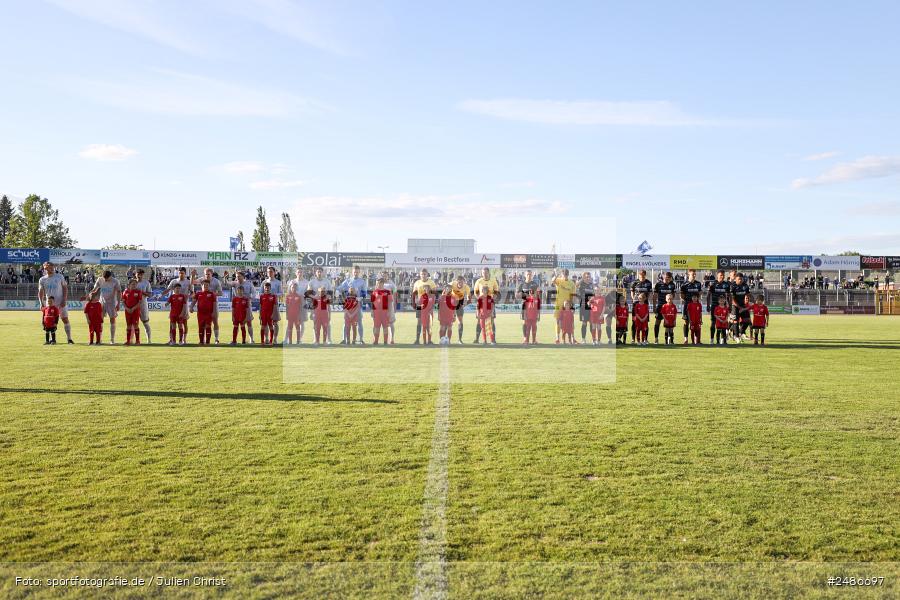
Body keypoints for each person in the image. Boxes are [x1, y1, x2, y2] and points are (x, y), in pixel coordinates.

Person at [38, 262, 74, 344]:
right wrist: (41, 303)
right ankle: (52, 340)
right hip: (49, 304)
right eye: (46, 267)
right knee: (49, 322)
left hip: (61, 303)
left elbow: (65, 288)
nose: (49, 268)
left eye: (50, 267)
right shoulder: (42, 279)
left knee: (65, 319)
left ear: (53, 267)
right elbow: (40, 292)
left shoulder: (59, 276)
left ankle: (69, 339)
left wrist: (64, 299)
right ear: (44, 268)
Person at [88, 270, 122, 344]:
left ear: (110, 276)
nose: (106, 280)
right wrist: (89, 294)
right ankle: (99, 339)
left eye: (107, 278)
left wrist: (118, 303)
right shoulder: (100, 279)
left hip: (112, 303)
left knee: (112, 320)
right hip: (102, 302)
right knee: (100, 320)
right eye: (104, 278)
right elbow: (94, 289)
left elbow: (119, 292)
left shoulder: (115, 281)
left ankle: (112, 339)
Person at [338, 266, 368, 344]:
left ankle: (360, 339)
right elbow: (340, 288)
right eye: (354, 272)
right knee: (346, 323)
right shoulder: (347, 281)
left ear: (359, 272)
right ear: (352, 272)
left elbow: (365, 293)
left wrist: (361, 297)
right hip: (349, 306)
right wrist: (338, 291)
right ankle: (344, 339)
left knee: (359, 322)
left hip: (358, 305)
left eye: (357, 272)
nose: (356, 273)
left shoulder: (362, 281)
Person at [195, 267, 224, 344]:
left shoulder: (216, 281)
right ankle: (203, 340)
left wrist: (211, 294)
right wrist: (192, 276)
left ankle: (216, 339)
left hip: (213, 304)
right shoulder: (202, 279)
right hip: (204, 305)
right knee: (202, 323)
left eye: (208, 274)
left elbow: (221, 293)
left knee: (215, 321)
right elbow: (193, 282)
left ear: (211, 274)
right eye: (205, 274)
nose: (206, 275)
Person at [473, 267, 500, 344]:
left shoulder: (493, 281)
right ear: (482, 273)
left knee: (491, 322)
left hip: (489, 303)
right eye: (483, 273)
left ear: (488, 273)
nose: (484, 274)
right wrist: (480, 299)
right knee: (479, 322)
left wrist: (493, 298)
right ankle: (477, 339)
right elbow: (476, 292)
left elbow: (496, 291)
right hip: (481, 305)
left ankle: (493, 339)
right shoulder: (479, 281)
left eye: (486, 272)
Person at [229, 271, 257, 344]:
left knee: (249, 322)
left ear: (243, 276)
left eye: (239, 276)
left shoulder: (249, 283)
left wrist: (250, 298)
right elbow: (226, 284)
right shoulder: (235, 283)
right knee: (236, 323)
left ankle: (251, 339)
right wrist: (225, 279)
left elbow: (254, 293)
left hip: (247, 305)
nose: (237, 278)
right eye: (236, 276)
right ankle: (234, 340)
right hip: (238, 306)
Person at [550, 268, 577, 344]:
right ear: (562, 274)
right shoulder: (558, 280)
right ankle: (557, 338)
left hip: (567, 305)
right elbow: (552, 280)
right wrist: (556, 274)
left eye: (566, 275)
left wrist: (572, 306)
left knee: (570, 321)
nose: (565, 276)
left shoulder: (571, 283)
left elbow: (573, 295)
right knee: (557, 320)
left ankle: (572, 338)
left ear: (568, 275)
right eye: (564, 274)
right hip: (558, 304)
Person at [412, 269, 437, 345]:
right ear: (420, 275)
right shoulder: (417, 283)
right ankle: (417, 340)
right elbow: (415, 294)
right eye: (422, 274)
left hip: (428, 306)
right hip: (420, 305)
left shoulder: (431, 282)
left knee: (428, 323)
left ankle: (429, 340)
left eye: (425, 274)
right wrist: (415, 301)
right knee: (419, 322)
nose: (423, 275)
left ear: (427, 274)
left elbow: (434, 294)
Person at [706, 270, 732, 344]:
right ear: (717, 276)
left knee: (723, 323)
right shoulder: (713, 284)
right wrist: (708, 305)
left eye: (723, 275)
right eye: (720, 275)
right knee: (713, 322)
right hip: (714, 305)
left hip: (723, 306)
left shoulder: (726, 284)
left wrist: (729, 305)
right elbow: (708, 295)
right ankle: (711, 339)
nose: (722, 276)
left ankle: (722, 339)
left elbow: (729, 296)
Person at [652, 272, 677, 344]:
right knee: (657, 323)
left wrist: (670, 302)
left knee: (670, 323)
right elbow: (655, 296)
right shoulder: (658, 284)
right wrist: (654, 306)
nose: (667, 280)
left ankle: (669, 339)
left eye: (669, 278)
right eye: (666, 278)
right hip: (660, 306)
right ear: (663, 277)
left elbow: (673, 295)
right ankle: (656, 339)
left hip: (669, 307)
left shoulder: (672, 285)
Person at [680, 269, 703, 344]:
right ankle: (686, 339)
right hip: (687, 306)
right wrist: (689, 302)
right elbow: (682, 296)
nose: (693, 275)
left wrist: (695, 302)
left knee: (696, 323)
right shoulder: (684, 284)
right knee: (686, 322)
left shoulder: (698, 284)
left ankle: (697, 340)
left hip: (696, 307)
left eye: (694, 274)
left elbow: (699, 294)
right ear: (688, 274)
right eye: (692, 274)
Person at [630, 270, 653, 344]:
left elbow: (649, 293)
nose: (641, 277)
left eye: (643, 276)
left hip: (644, 305)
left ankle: (645, 339)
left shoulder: (648, 283)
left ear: (645, 275)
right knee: (634, 322)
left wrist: (646, 300)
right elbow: (632, 292)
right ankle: (633, 339)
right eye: (640, 276)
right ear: (638, 275)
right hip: (636, 304)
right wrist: (634, 299)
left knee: (645, 323)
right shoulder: (634, 282)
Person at [192, 279, 217, 345]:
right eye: (204, 285)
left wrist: (214, 312)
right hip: (200, 314)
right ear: (201, 286)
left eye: (207, 285)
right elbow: (194, 301)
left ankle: (208, 341)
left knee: (208, 326)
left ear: (209, 286)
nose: (206, 286)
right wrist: (191, 307)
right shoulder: (198, 294)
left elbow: (214, 304)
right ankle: (201, 341)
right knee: (201, 327)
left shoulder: (212, 294)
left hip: (209, 314)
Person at [262, 266, 283, 344]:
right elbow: (260, 293)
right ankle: (266, 338)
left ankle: (275, 339)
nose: (269, 273)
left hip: (274, 306)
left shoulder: (278, 282)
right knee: (266, 323)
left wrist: (273, 295)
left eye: (271, 271)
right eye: (268, 271)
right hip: (265, 306)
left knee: (275, 323)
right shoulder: (264, 282)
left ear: (274, 272)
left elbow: (281, 293)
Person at [121, 279, 144, 345]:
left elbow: (140, 302)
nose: (134, 285)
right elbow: (123, 301)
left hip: (135, 311)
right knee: (128, 325)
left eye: (135, 284)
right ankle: (128, 341)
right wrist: (126, 308)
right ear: (129, 285)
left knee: (136, 325)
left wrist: (133, 308)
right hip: (127, 311)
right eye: (133, 284)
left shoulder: (138, 292)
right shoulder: (125, 292)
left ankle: (137, 341)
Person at [371, 278, 393, 345]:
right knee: (376, 327)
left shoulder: (388, 292)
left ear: (382, 283)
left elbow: (390, 303)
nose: (378, 285)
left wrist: (389, 311)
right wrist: (372, 311)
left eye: (379, 283)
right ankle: (376, 341)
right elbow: (372, 302)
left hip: (385, 312)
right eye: (377, 283)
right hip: (376, 312)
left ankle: (385, 341)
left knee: (385, 327)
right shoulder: (374, 292)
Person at [730, 273, 752, 341]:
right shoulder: (733, 286)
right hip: (735, 306)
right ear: (735, 279)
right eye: (739, 279)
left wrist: (747, 301)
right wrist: (739, 308)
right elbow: (732, 299)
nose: (740, 280)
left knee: (747, 320)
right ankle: (736, 336)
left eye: (741, 279)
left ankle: (740, 332)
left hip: (743, 306)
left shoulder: (745, 286)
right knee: (735, 321)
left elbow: (748, 295)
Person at [451, 275, 472, 344]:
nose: (461, 284)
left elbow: (469, 299)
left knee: (460, 322)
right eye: (459, 282)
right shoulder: (452, 284)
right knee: (449, 322)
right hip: (451, 304)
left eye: (462, 282)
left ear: (464, 282)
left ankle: (460, 340)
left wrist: (464, 304)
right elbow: (445, 290)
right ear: (457, 282)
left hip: (459, 304)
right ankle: (447, 339)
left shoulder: (466, 287)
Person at [134, 268, 153, 343]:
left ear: (143, 275)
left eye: (141, 274)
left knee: (145, 322)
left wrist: (141, 292)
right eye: (138, 274)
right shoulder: (132, 282)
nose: (139, 276)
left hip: (143, 305)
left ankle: (149, 340)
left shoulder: (146, 283)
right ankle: (133, 340)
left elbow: (150, 294)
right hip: (133, 305)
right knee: (133, 323)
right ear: (135, 274)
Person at [576, 272, 595, 344]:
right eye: (586, 277)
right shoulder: (581, 284)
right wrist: (582, 278)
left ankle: (593, 339)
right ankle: (583, 339)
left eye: (589, 277)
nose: (588, 278)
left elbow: (594, 294)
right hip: (583, 306)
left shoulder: (591, 285)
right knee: (584, 323)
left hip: (591, 307)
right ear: (584, 277)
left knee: (591, 323)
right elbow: (576, 285)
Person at [258, 281, 278, 346]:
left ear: (270, 288)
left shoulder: (273, 296)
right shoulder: (261, 296)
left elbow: (275, 306)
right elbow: (260, 306)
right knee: (263, 327)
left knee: (271, 327)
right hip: (263, 314)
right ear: (264, 288)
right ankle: (262, 341)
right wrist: (260, 314)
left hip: (270, 314)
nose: (266, 289)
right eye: (265, 287)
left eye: (268, 287)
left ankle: (271, 341)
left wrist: (273, 314)